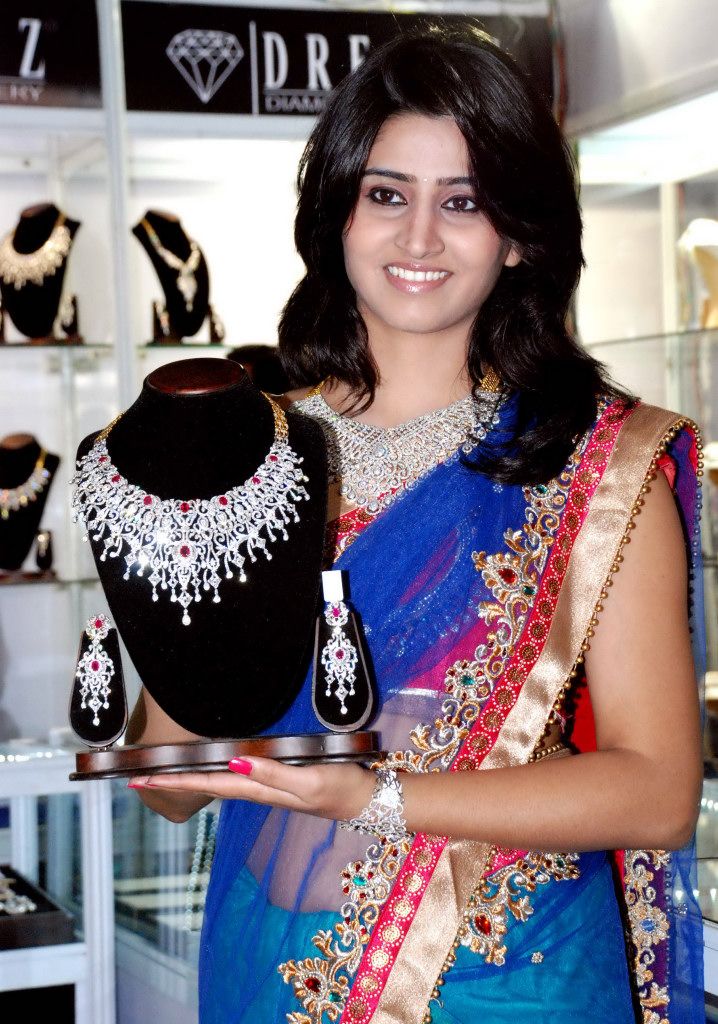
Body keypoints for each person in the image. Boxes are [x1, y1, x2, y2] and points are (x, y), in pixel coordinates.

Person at [126, 26, 705, 1023]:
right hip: (268, 971)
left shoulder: (596, 467)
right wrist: (179, 629)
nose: (420, 238)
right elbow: (170, 785)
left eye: (464, 202)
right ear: (339, 214)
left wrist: (376, 798)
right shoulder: (249, 455)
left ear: (518, 235)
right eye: (387, 194)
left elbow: (656, 792)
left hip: (514, 984)